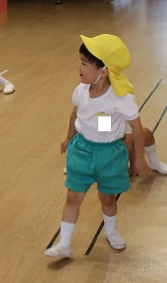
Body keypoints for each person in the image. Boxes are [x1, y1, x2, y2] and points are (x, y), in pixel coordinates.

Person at [46, 34, 150, 259]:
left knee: (108, 198)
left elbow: (136, 128)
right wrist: (68, 138)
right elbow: (75, 114)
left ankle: (111, 232)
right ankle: (64, 244)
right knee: (73, 197)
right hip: (81, 150)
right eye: (80, 62)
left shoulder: (120, 98)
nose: (79, 68)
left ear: (103, 71)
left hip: (110, 154)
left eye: (84, 63)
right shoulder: (81, 90)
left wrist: (138, 159)